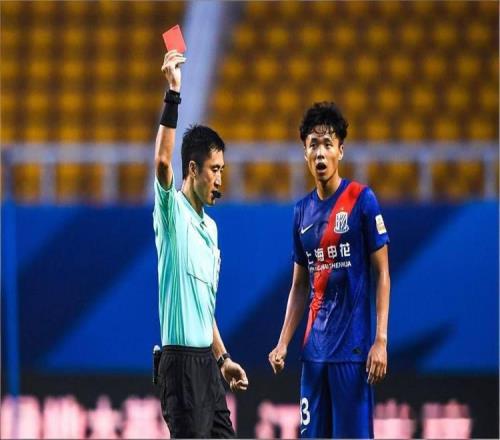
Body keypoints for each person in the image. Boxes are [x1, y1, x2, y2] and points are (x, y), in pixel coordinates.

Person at [268, 102, 391, 439]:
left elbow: (382, 273)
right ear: (305, 153)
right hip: (313, 355)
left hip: (352, 354)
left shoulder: (361, 200)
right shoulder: (301, 212)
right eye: (313, 145)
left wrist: (380, 340)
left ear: (340, 150)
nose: (320, 153)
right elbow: (299, 286)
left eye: (327, 144)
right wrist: (283, 343)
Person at [153, 50, 248, 438]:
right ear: (192, 169)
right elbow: (162, 162)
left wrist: (223, 359)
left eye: (222, 170)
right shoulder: (171, 213)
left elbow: (203, 309)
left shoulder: (211, 229)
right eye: (214, 170)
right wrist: (173, 93)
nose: (220, 179)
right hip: (179, 367)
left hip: (208, 368)